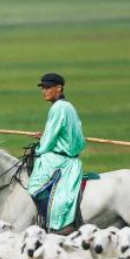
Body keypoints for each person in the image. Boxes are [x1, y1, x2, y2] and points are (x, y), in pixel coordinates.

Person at [26, 72, 85, 233]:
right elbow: (62, 135)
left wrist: (38, 148)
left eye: (47, 87)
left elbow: (50, 139)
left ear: (59, 88)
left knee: (34, 186)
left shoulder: (58, 108)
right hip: (68, 156)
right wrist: (45, 135)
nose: (44, 91)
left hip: (61, 159)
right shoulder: (68, 107)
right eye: (43, 88)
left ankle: (54, 223)